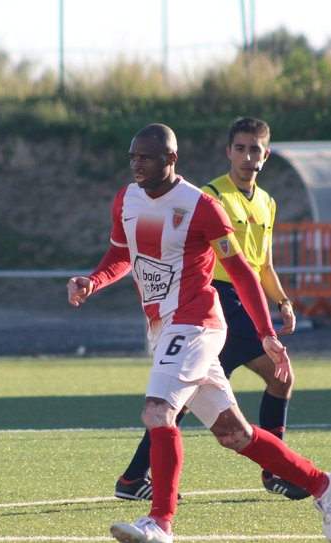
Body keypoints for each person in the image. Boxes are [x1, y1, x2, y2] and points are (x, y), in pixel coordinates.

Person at [67, 123, 331, 543]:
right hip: (163, 327)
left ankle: (160, 522)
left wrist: (266, 333)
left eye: (146, 157)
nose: (137, 165)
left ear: (171, 159)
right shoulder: (126, 199)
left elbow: (242, 273)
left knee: (157, 411)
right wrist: (93, 280)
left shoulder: (201, 206)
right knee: (234, 434)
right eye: (133, 157)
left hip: (196, 322)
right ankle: (323, 484)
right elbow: (122, 254)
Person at [112, 117, 309, 504]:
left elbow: (261, 266)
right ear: (228, 152)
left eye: (255, 150)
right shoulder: (210, 197)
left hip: (237, 304)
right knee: (183, 399)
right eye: (240, 149)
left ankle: (134, 478)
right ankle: (277, 474)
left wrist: (281, 301)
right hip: (211, 302)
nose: (247, 157)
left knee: (190, 400)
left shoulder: (267, 202)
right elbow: (216, 261)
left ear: (266, 155)